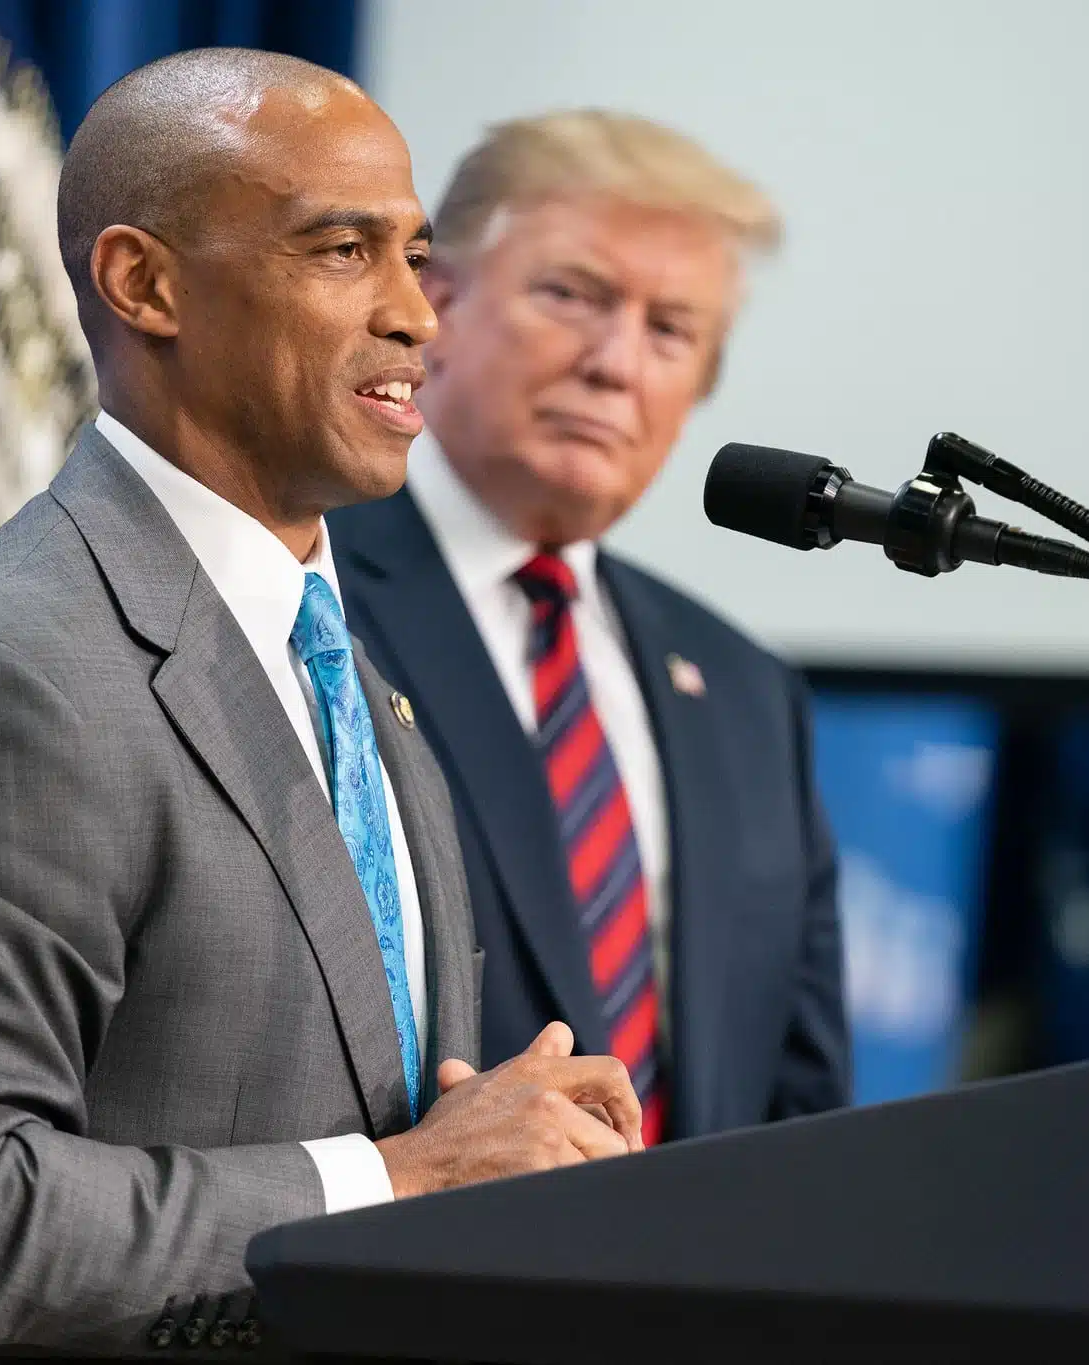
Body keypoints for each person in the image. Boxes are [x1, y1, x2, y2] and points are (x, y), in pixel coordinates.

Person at [0, 52, 640, 1362]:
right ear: (145, 283)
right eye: (344, 250)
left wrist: (514, 1156)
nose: (419, 317)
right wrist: (400, 1180)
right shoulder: (4, 678)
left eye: (418, 257)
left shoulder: (348, 659)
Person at [329, 112, 849, 1146]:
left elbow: (804, 1115)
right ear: (435, 303)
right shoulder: (308, 590)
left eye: (670, 331)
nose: (615, 364)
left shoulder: (747, 692)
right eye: (570, 295)